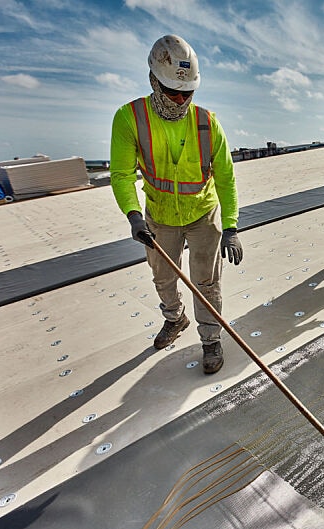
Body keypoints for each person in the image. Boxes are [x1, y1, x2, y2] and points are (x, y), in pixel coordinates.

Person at [110, 34, 242, 374]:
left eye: (188, 92)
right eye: (173, 91)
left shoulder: (207, 123)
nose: (181, 99)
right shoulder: (130, 118)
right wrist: (133, 215)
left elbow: (226, 178)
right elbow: (122, 175)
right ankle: (175, 318)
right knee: (163, 278)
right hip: (160, 216)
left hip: (202, 214)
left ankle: (211, 340)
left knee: (206, 282)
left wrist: (231, 226)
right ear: (154, 81)